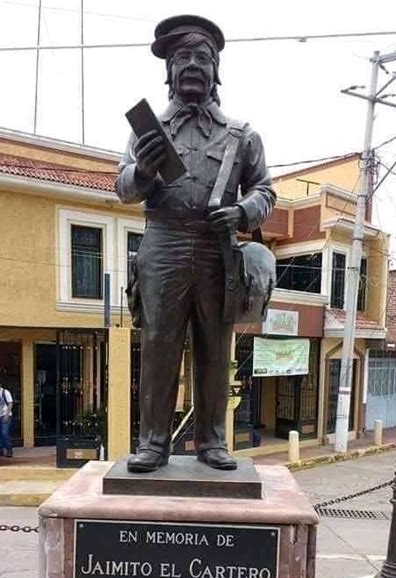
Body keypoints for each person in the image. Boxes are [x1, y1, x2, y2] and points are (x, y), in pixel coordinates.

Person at [116, 14, 276, 472]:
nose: (191, 65)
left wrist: (245, 212)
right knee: (159, 348)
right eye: (181, 57)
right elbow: (123, 188)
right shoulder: (148, 130)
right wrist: (143, 172)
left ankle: (212, 442)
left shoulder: (241, 135)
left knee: (213, 349)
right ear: (168, 71)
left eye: (202, 58)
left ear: (216, 70)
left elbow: (265, 189)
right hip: (162, 244)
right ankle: (153, 443)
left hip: (215, 249)